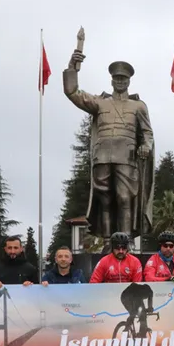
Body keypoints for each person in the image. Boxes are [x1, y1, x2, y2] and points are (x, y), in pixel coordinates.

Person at [63, 50, 155, 244]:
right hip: (102, 155)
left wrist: (145, 145)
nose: (120, 81)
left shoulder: (138, 106)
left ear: (129, 81)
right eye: (117, 78)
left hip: (127, 156)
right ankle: (107, 241)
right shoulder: (100, 102)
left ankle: (125, 241)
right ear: (112, 81)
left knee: (124, 197)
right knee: (104, 198)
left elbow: (147, 133)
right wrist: (72, 68)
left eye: (123, 78)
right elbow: (72, 92)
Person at [90, 231, 145, 346]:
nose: (121, 251)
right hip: (111, 303)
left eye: (123, 248)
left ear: (127, 248)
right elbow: (93, 283)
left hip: (130, 300)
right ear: (112, 248)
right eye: (117, 248)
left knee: (137, 336)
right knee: (112, 340)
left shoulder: (134, 262)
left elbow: (137, 285)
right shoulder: (104, 262)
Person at [41, 246, 85, 346]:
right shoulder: (48, 276)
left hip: (73, 320)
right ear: (55, 259)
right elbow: (41, 297)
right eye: (60, 256)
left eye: (66, 256)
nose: (63, 259)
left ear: (71, 259)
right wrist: (42, 288)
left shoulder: (79, 274)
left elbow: (87, 293)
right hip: (54, 321)